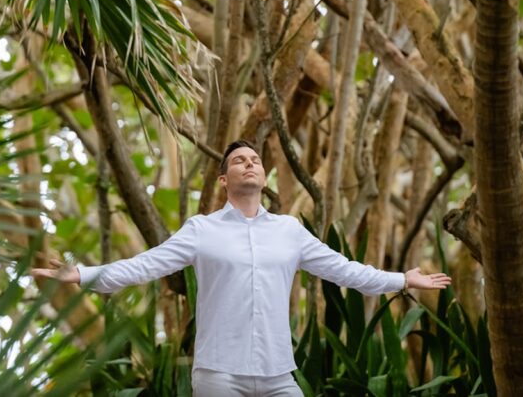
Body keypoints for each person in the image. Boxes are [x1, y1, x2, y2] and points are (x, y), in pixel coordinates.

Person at [31, 139, 452, 396]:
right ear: (223, 180)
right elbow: (145, 266)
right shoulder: (201, 230)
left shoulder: (290, 231)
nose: (249, 163)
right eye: (239, 161)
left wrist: (402, 279)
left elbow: (346, 271)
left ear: (263, 175)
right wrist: (82, 274)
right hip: (218, 373)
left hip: (277, 373)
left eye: (254, 159)